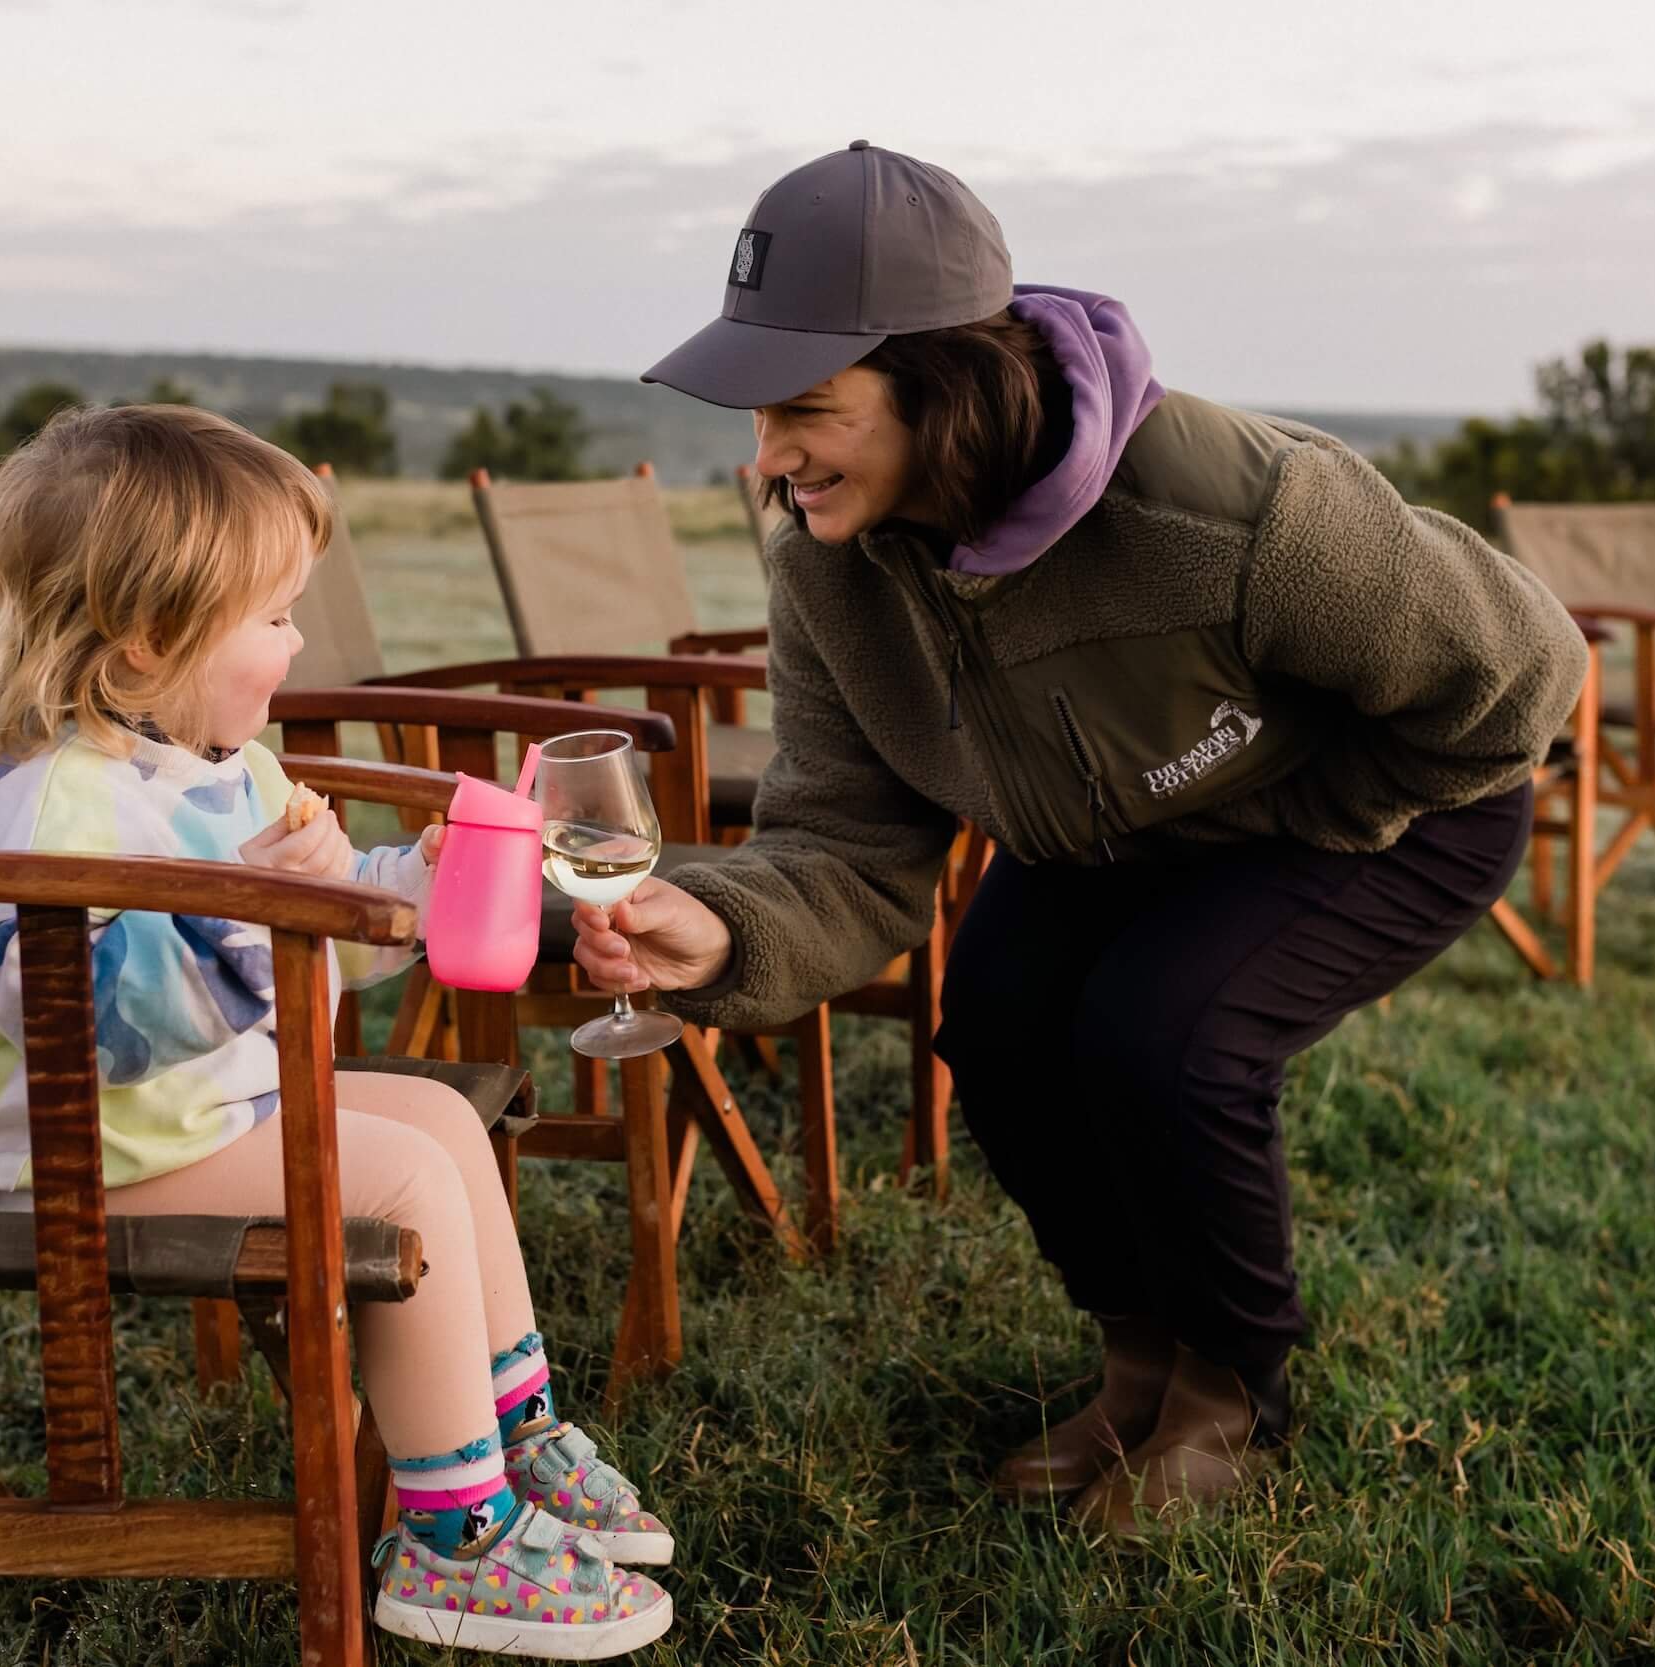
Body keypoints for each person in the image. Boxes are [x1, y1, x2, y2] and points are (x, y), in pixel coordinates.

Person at [575, 143, 1589, 1534]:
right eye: (757, 413)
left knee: (1163, 1031)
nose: (771, 456)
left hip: (1403, 806)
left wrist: (1304, 816)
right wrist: (728, 921)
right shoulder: (830, 566)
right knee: (994, 1018)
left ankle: (1235, 1393)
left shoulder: (1239, 511)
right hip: (1125, 835)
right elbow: (854, 844)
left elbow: (1524, 675)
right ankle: (1142, 1360)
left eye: (808, 407)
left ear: (946, 381)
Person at [0, 403, 672, 1654]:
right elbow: (93, 1027)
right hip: (57, 1150)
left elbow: (324, 947)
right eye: (271, 616)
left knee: (437, 1122)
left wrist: (400, 890)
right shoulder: (54, 809)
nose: (298, 638)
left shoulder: (224, 764)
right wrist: (277, 915)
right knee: (406, 1174)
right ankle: (453, 1534)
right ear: (147, 642)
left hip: (174, 1120)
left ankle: (513, 1425)